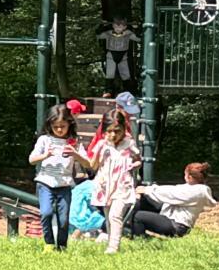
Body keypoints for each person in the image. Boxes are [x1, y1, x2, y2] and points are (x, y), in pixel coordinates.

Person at [28, 104, 81, 252]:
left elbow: (88, 163)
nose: (59, 129)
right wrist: (45, 155)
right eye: (55, 126)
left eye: (62, 126)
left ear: (69, 124)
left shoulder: (73, 141)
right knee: (46, 212)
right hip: (45, 182)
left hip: (64, 184)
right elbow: (31, 159)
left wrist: (75, 154)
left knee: (63, 219)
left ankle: (62, 246)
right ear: (49, 125)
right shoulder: (44, 140)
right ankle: (49, 243)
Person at [90, 108, 140, 254]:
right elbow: (93, 166)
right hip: (105, 185)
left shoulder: (129, 143)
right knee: (108, 216)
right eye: (110, 131)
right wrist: (98, 151)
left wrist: (134, 165)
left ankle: (113, 247)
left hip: (122, 184)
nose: (113, 135)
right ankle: (111, 241)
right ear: (105, 131)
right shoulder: (102, 145)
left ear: (124, 129)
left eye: (117, 131)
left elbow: (138, 160)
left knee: (115, 215)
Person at [129, 161, 218, 237]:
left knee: (138, 216)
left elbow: (171, 194)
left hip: (177, 226)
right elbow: (173, 189)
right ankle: (127, 225)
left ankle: (139, 240)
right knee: (144, 200)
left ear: (189, 177)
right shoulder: (194, 188)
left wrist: (147, 190)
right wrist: (146, 192)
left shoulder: (198, 192)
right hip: (171, 215)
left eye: (185, 174)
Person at [99, 18, 139, 93]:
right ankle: (108, 91)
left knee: (126, 75)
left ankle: (128, 92)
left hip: (123, 55)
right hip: (111, 55)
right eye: (116, 26)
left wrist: (136, 29)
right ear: (113, 26)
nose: (118, 28)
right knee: (110, 74)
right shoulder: (108, 33)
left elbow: (138, 38)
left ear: (125, 27)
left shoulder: (128, 33)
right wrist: (102, 26)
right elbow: (98, 35)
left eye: (120, 26)